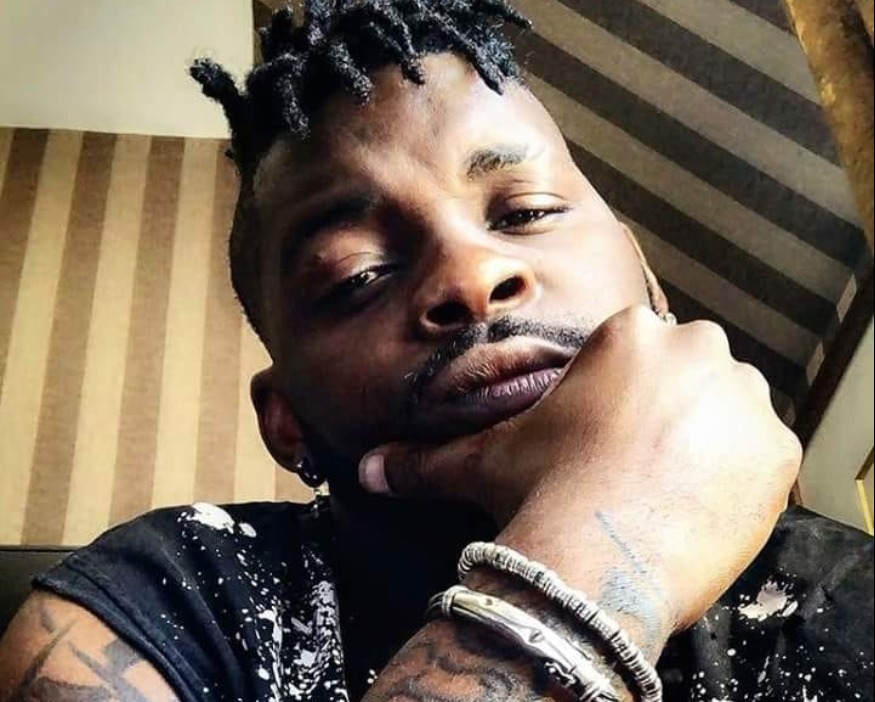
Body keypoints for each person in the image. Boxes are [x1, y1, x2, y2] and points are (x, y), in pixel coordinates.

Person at [1, 2, 872, 700]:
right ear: (287, 421)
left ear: (648, 285)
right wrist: (597, 556)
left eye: (526, 211)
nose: (471, 275)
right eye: (355, 275)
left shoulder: (851, 593)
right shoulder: (164, 608)